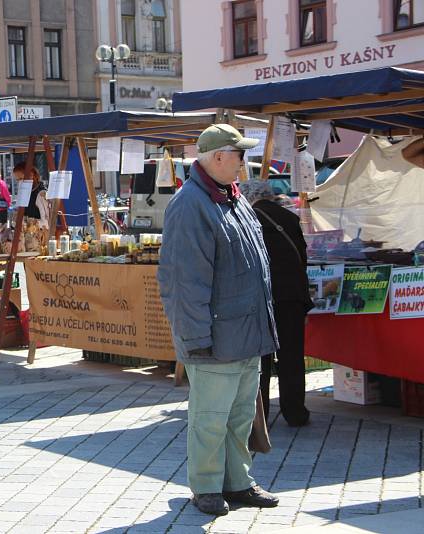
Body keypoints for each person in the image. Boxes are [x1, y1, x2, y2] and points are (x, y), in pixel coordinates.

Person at [158, 124, 280, 516]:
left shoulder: (233, 197)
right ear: (218, 157)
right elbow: (183, 281)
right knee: (210, 418)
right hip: (214, 336)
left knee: (240, 417)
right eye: (239, 153)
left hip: (245, 333)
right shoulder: (190, 204)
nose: (245, 161)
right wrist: (195, 338)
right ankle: (207, 486)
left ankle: (238, 481)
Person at [240, 180, 313, 428]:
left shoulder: (247, 219)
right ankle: (295, 412)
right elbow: (301, 258)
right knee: (292, 355)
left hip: (262, 296)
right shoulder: (290, 218)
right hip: (292, 297)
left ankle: (259, 415)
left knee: (261, 358)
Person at [12, 161, 50, 229]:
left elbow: (47, 222)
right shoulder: (25, 194)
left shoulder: (41, 194)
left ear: (31, 175)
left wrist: (26, 222)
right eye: (17, 180)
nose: (19, 182)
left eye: (21, 179)